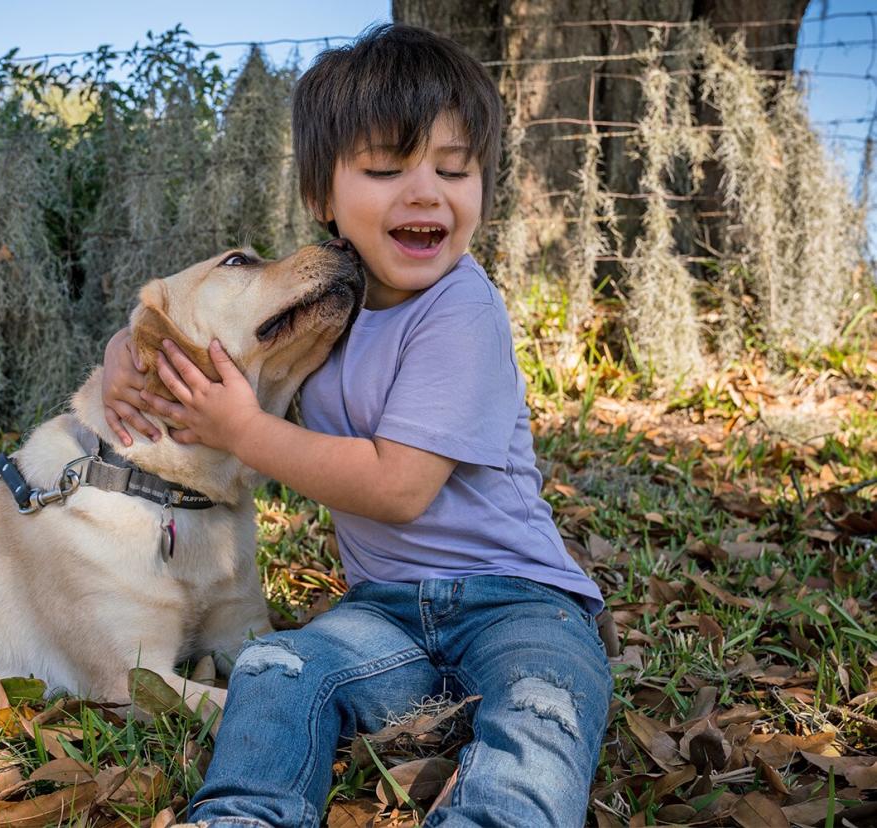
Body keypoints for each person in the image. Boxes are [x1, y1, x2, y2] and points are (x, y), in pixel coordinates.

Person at [100, 23, 611, 828]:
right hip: (384, 618)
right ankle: (244, 814)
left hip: (520, 604)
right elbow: (214, 334)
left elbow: (398, 488)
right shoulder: (328, 312)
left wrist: (245, 433)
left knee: (542, 708)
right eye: (384, 169)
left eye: (455, 170)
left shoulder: (462, 308)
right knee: (278, 666)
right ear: (322, 198)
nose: (425, 194)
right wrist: (123, 351)